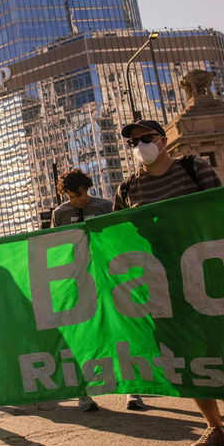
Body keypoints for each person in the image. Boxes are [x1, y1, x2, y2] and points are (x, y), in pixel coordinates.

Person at [113, 121, 224, 446]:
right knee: (189, 358)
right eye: (134, 142)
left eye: (146, 138)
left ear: (163, 140)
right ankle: (213, 428)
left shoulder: (193, 168)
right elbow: (117, 242)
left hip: (208, 277)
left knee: (223, 352)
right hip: (163, 286)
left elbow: (220, 209)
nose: (140, 145)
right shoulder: (127, 189)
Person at [52, 169, 147, 413]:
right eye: (71, 196)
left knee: (120, 331)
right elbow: (55, 249)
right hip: (77, 282)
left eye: (80, 194)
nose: (77, 200)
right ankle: (83, 393)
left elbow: (120, 238)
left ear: (87, 188)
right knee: (82, 337)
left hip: (108, 278)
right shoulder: (59, 214)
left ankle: (132, 389)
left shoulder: (105, 207)